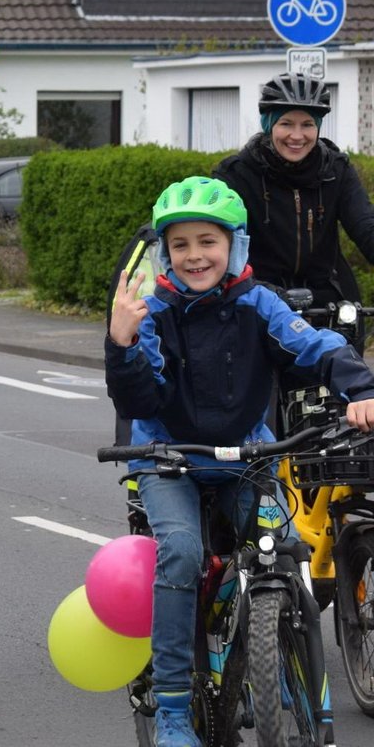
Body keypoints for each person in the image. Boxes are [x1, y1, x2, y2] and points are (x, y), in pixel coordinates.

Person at [105, 176, 374, 747]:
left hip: (247, 455)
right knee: (181, 554)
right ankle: (173, 707)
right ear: (165, 253)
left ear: (235, 245)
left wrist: (361, 390)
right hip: (169, 459)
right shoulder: (152, 312)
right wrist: (122, 345)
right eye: (180, 244)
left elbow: (315, 345)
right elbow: (139, 401)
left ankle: (277, 657)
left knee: (285, 550)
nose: (195, 255)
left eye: (208, 241)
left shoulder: (258, 302)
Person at [214, 72, 374, 306]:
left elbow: (366, 226)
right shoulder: (237, 174)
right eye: (286, 123)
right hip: (260, 298)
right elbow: (216, 241)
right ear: (269, 125)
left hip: (328, 301)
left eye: (307, 124)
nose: (297, 136)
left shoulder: (336, 170)